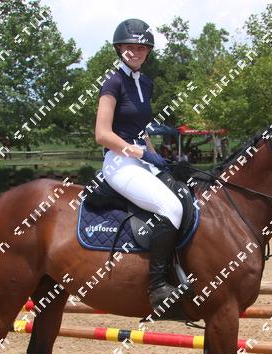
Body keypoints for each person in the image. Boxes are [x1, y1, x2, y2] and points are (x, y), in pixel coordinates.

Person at [95, 18, 182, 312]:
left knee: (185, 195)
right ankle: (157, 286)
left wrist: (158, 159)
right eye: (129, 47)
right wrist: (138, 153)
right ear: (119, 49)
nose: (136, 52)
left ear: (148, 51)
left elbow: (141, 130)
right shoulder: (113, 82)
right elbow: (102, 134)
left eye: (142, 47)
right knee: (171, 208)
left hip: (142, 160)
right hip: (119, 163)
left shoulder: (146, 83)